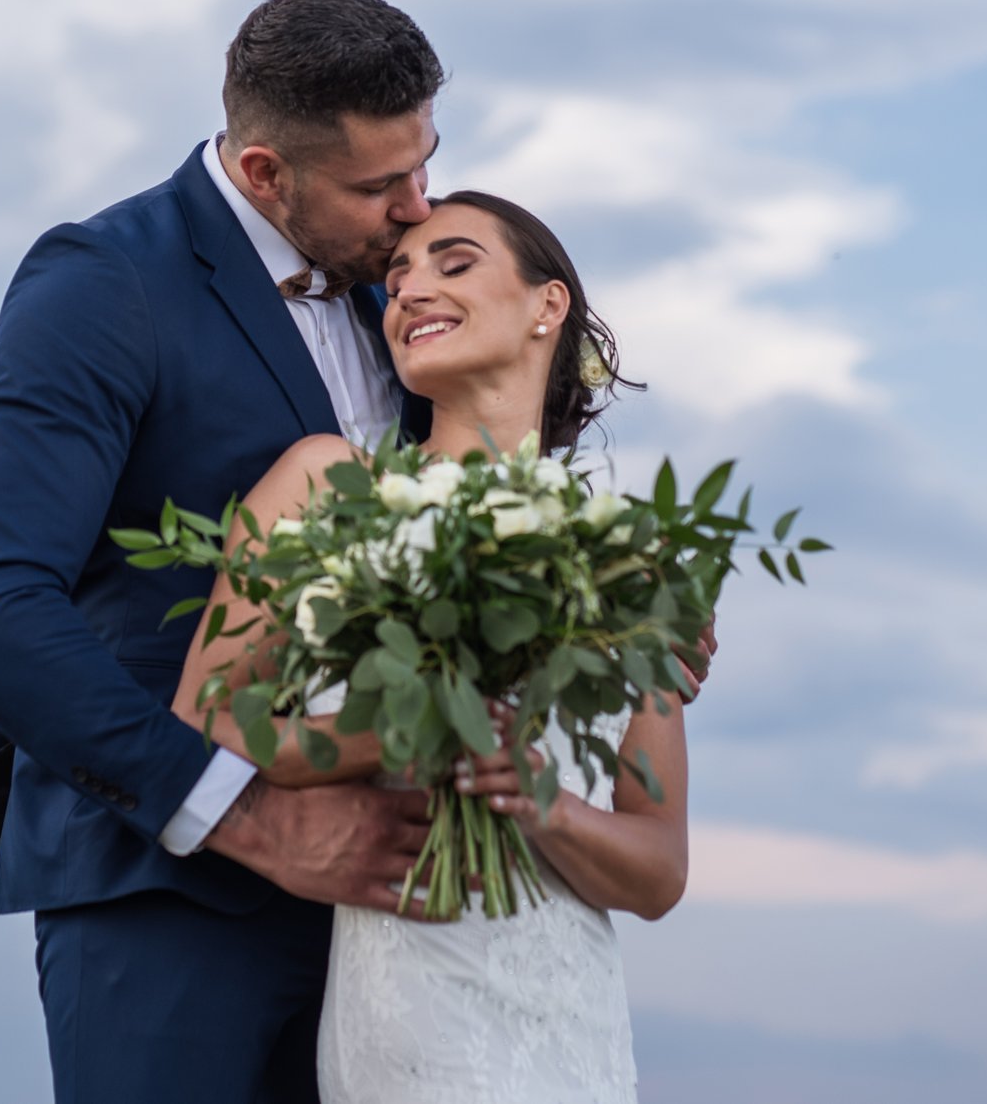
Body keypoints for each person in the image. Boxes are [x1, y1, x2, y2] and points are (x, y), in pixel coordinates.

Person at [0, 0, 456, 1104]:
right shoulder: (103, 282)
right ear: (264, 172)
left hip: (391, 912)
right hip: (164, 899)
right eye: (377, 186)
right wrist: (242, 815)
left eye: (425, 164)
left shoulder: (404, 292)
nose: (418, 209)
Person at [173, 190, 682, 1103]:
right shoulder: (326, 484)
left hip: (575, 1019)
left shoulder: (623, 555)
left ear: (546, 305)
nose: (409, 292)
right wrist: (396, 741)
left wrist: (542, 802)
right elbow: (206, 714)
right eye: (397, 277)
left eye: (453, 264)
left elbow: (658, 871)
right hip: (410, 998)